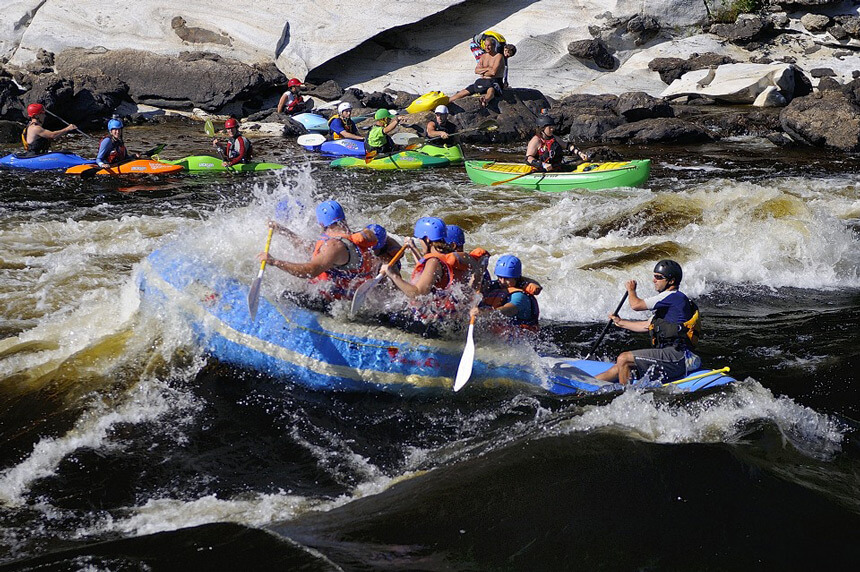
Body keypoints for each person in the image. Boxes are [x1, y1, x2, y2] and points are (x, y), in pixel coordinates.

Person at [595, 260, 702, 385]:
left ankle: (626, 397)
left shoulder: (673, 297)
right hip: (669, 355)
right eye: (654, 276)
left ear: (671, 281)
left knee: (623, 359)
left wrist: (631, 290)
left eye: (658, 277)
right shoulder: (669, 306)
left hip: (677, 356)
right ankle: (586, 387)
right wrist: (620, 322)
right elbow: (646, 325)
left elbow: (636, 305)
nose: (654, 280)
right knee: (618, 368)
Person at [263, 199, 378, 301]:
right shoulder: (346, 237)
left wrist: (275, 262)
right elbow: (308, 248)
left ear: (321, 223)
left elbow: (311, 271)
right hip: (344, 293)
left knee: (281, 296)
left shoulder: (334, 245)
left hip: (338, 301)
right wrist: (283, 231)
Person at [382, 217, 479, 321]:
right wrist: (414, 249)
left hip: (430, 322)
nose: (420, 242)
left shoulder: (434, 261)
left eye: (420, 239)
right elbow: (428, 274)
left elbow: (417, 294)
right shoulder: (449, 255)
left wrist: (393, 274)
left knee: (381, 317)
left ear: (427, 239)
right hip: (447, 318)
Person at [471, 254, 540, 334]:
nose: (502, 282)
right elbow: (474, 287)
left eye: (507, 278)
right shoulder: (496, 286)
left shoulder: (520, 296)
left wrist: (484, 313)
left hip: (519, 339)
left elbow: (508, 310)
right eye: (500, 277)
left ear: (516, 278)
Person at [449, 34, 505, 107]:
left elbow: (493, 72)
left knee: (491, 91)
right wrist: (488, 69)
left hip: (495, 82)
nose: (486, 47)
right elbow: (476, 70)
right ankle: (447, 101)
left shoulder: (498, 56)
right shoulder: (484, 56)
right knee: (463, 92)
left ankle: (485, 100)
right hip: (482, 81)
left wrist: (483, 72)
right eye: (485, 45)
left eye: (489, 45)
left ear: (494, 46)